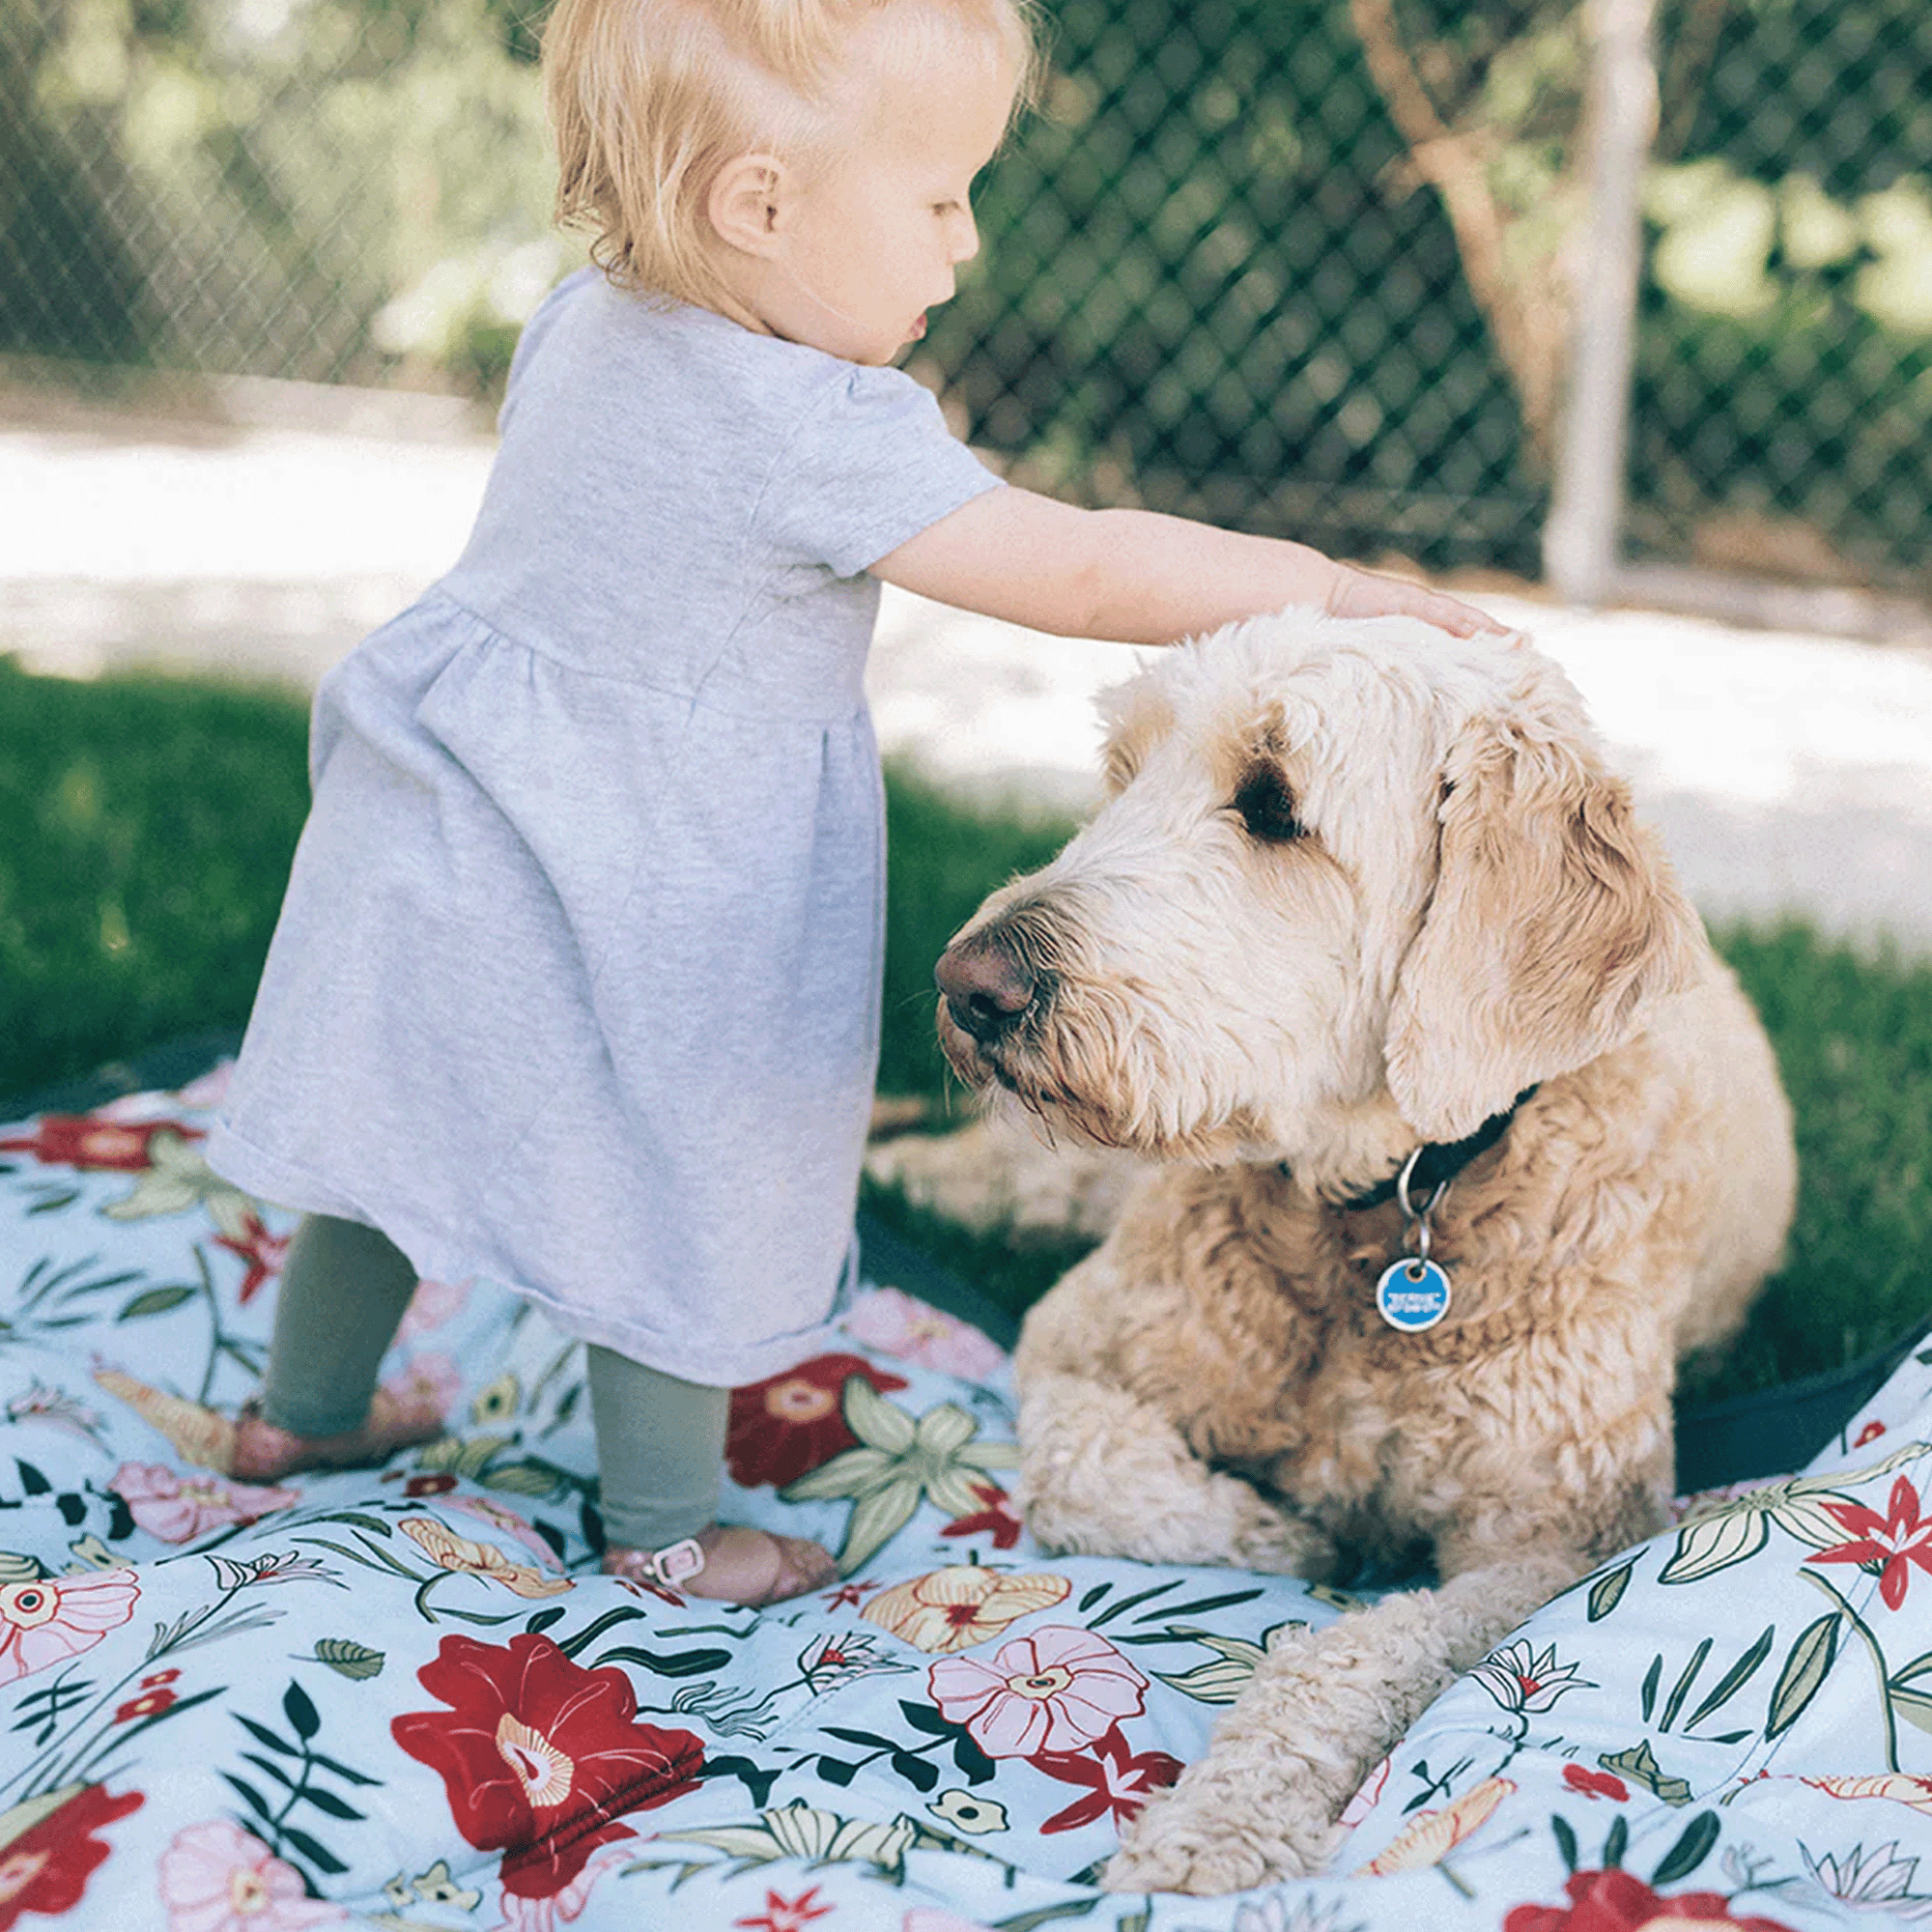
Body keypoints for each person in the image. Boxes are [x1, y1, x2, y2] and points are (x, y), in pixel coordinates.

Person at [207, 0, 1502, 1607]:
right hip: (648, 875)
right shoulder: (812, 425)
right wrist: (1332, 589)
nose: (967, 239)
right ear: (760, 205)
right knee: (679, 1163)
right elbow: (1087, 571)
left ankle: (300, 1414)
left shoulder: (579, 323)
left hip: (448, 813)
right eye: (940, 195)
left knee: (395, 1125)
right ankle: (666, 1527)